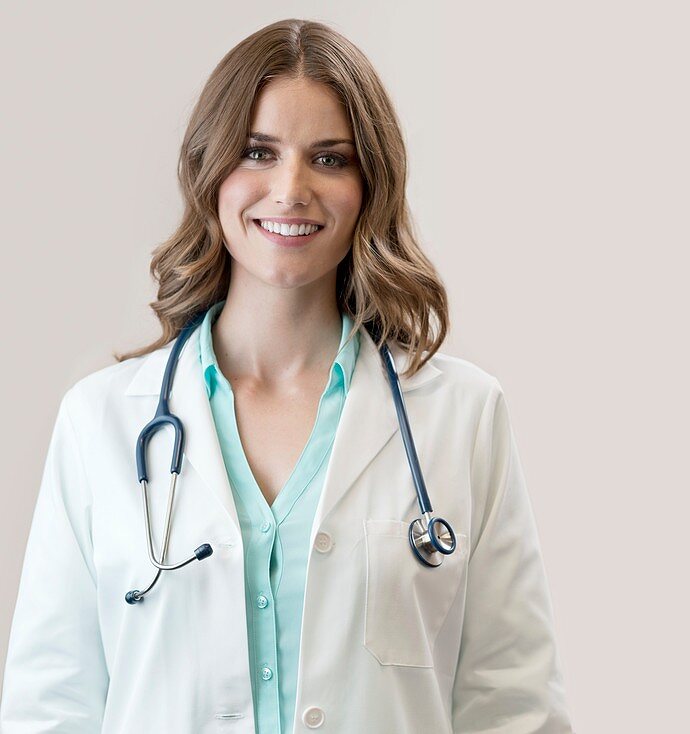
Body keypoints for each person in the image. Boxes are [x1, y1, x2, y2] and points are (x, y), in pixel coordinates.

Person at [0, 18, 573, 734]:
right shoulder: (101, 423)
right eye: (257, 152)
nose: (291, 188)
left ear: (371, 186)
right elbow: (49, 710)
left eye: (330, 159)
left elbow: (513, 707)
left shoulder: (462, 417)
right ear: (211, 172)